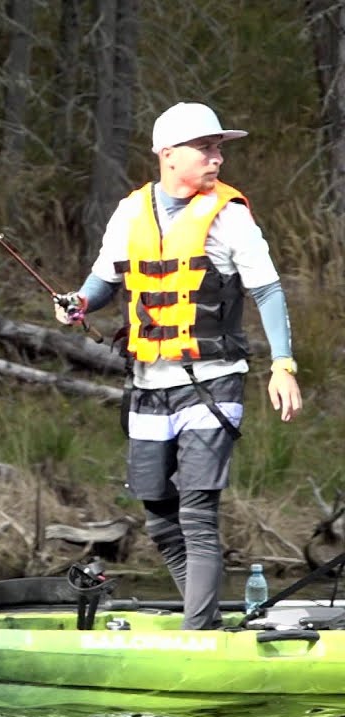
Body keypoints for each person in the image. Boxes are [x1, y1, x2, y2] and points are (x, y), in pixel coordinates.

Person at [53, 102, 303, 630]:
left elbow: (268, 290)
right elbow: (105, 281)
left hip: (212, 384)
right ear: (168, 155)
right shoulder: (130, 212)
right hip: (147, 385)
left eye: (219, 149)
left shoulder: (230, 215)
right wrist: (79, 301)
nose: (216, 158)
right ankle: (205, 619)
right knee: (159, 516)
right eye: (205, 148)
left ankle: (198, 630)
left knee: (197, 512)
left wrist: (284, 365)